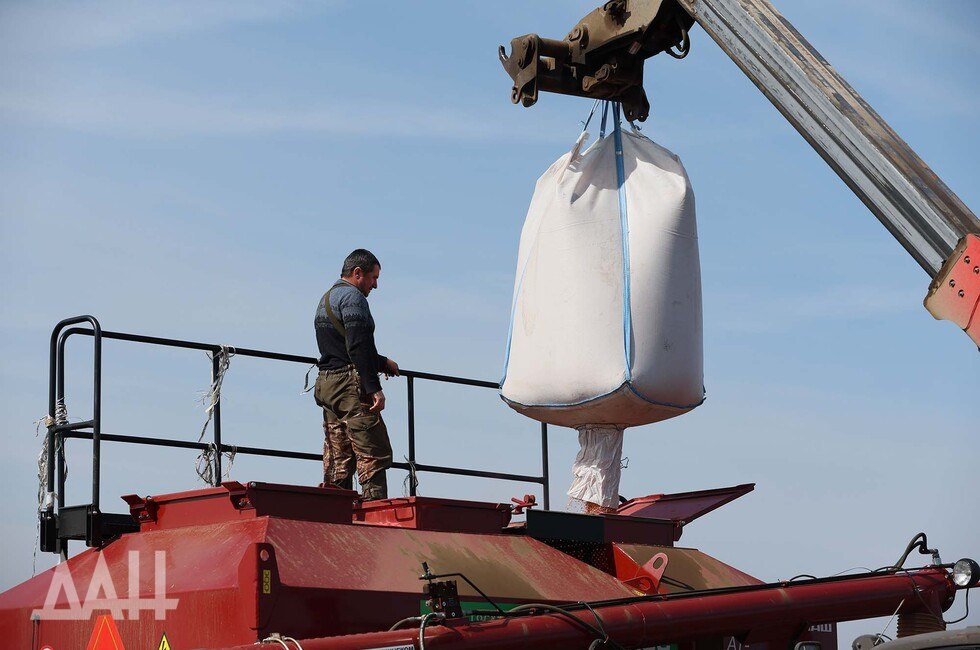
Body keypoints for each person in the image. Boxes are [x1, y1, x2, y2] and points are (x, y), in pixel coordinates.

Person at [313, 248, 399, 500]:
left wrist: (382, 362)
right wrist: (373, 388)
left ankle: (334, 510)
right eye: (374, 278)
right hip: (349, 385)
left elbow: (341, 346)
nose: (375, 285)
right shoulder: (354, 299)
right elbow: (358, 346)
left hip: (327, 384)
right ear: (357, 273)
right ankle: (374, 513)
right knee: (372, 450)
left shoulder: (326, 298)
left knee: (338, 456)